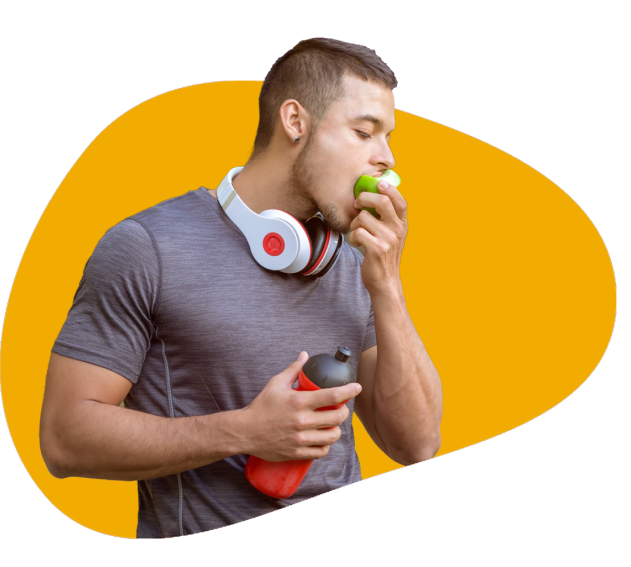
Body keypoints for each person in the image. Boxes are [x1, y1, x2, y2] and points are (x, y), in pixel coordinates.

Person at [39, 37, 443, 538]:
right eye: (364, 132)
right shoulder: (147, 247)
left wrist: (387, 286)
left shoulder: (355, 262)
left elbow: (417, 444)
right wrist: (244, 432)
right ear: (295, 121)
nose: (386, 158)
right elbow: (63, 438)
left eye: (387, 138)